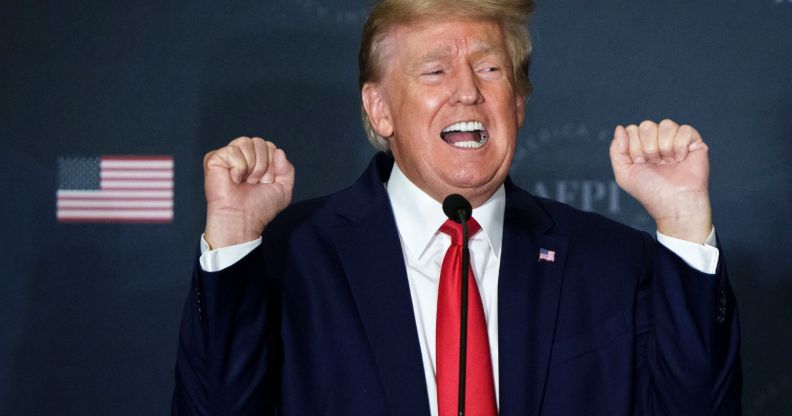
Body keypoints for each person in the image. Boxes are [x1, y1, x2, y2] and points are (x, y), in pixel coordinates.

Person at [173, 0, 741, 414]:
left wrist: (685, 221)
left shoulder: (613, 261)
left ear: (518, 104)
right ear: (379, 109)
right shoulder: (288, 257)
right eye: (435, 70)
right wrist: (234, 236)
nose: (468, 91)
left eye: (491, 68)